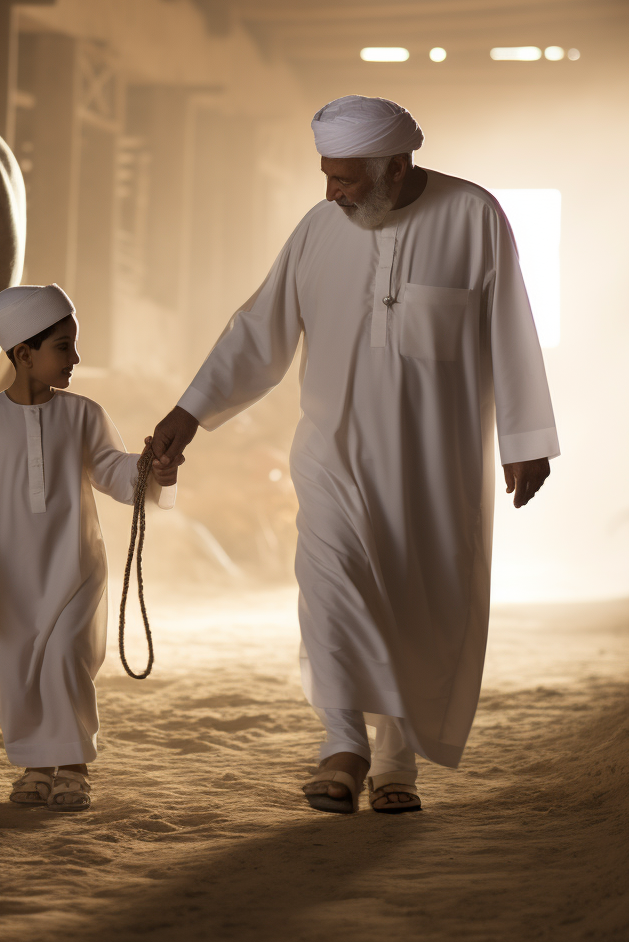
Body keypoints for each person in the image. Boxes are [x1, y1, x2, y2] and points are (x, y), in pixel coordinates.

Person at [152, 95, 558, 815]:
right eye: (327, 175)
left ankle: (397, 758)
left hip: (436, 465)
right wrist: (190, 411)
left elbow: (511, 328)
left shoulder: (474, 218)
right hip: (330, 453)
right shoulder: (317, 230)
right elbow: (259, 330)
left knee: (415, 602)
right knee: (330, 588)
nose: (331, 192)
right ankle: (342, 742)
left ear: (397, 169)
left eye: (345, 179)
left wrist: (525, 440)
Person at [0, 284, 178, 812]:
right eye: (63, 347)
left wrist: (151, 468)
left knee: (65, 657)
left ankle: (74, 766)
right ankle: (37, 767)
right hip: (13, 578)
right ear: (23, 354)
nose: (75, 359)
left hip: (76, 570)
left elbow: (113, 470)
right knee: (19, 667)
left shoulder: (84, 414)